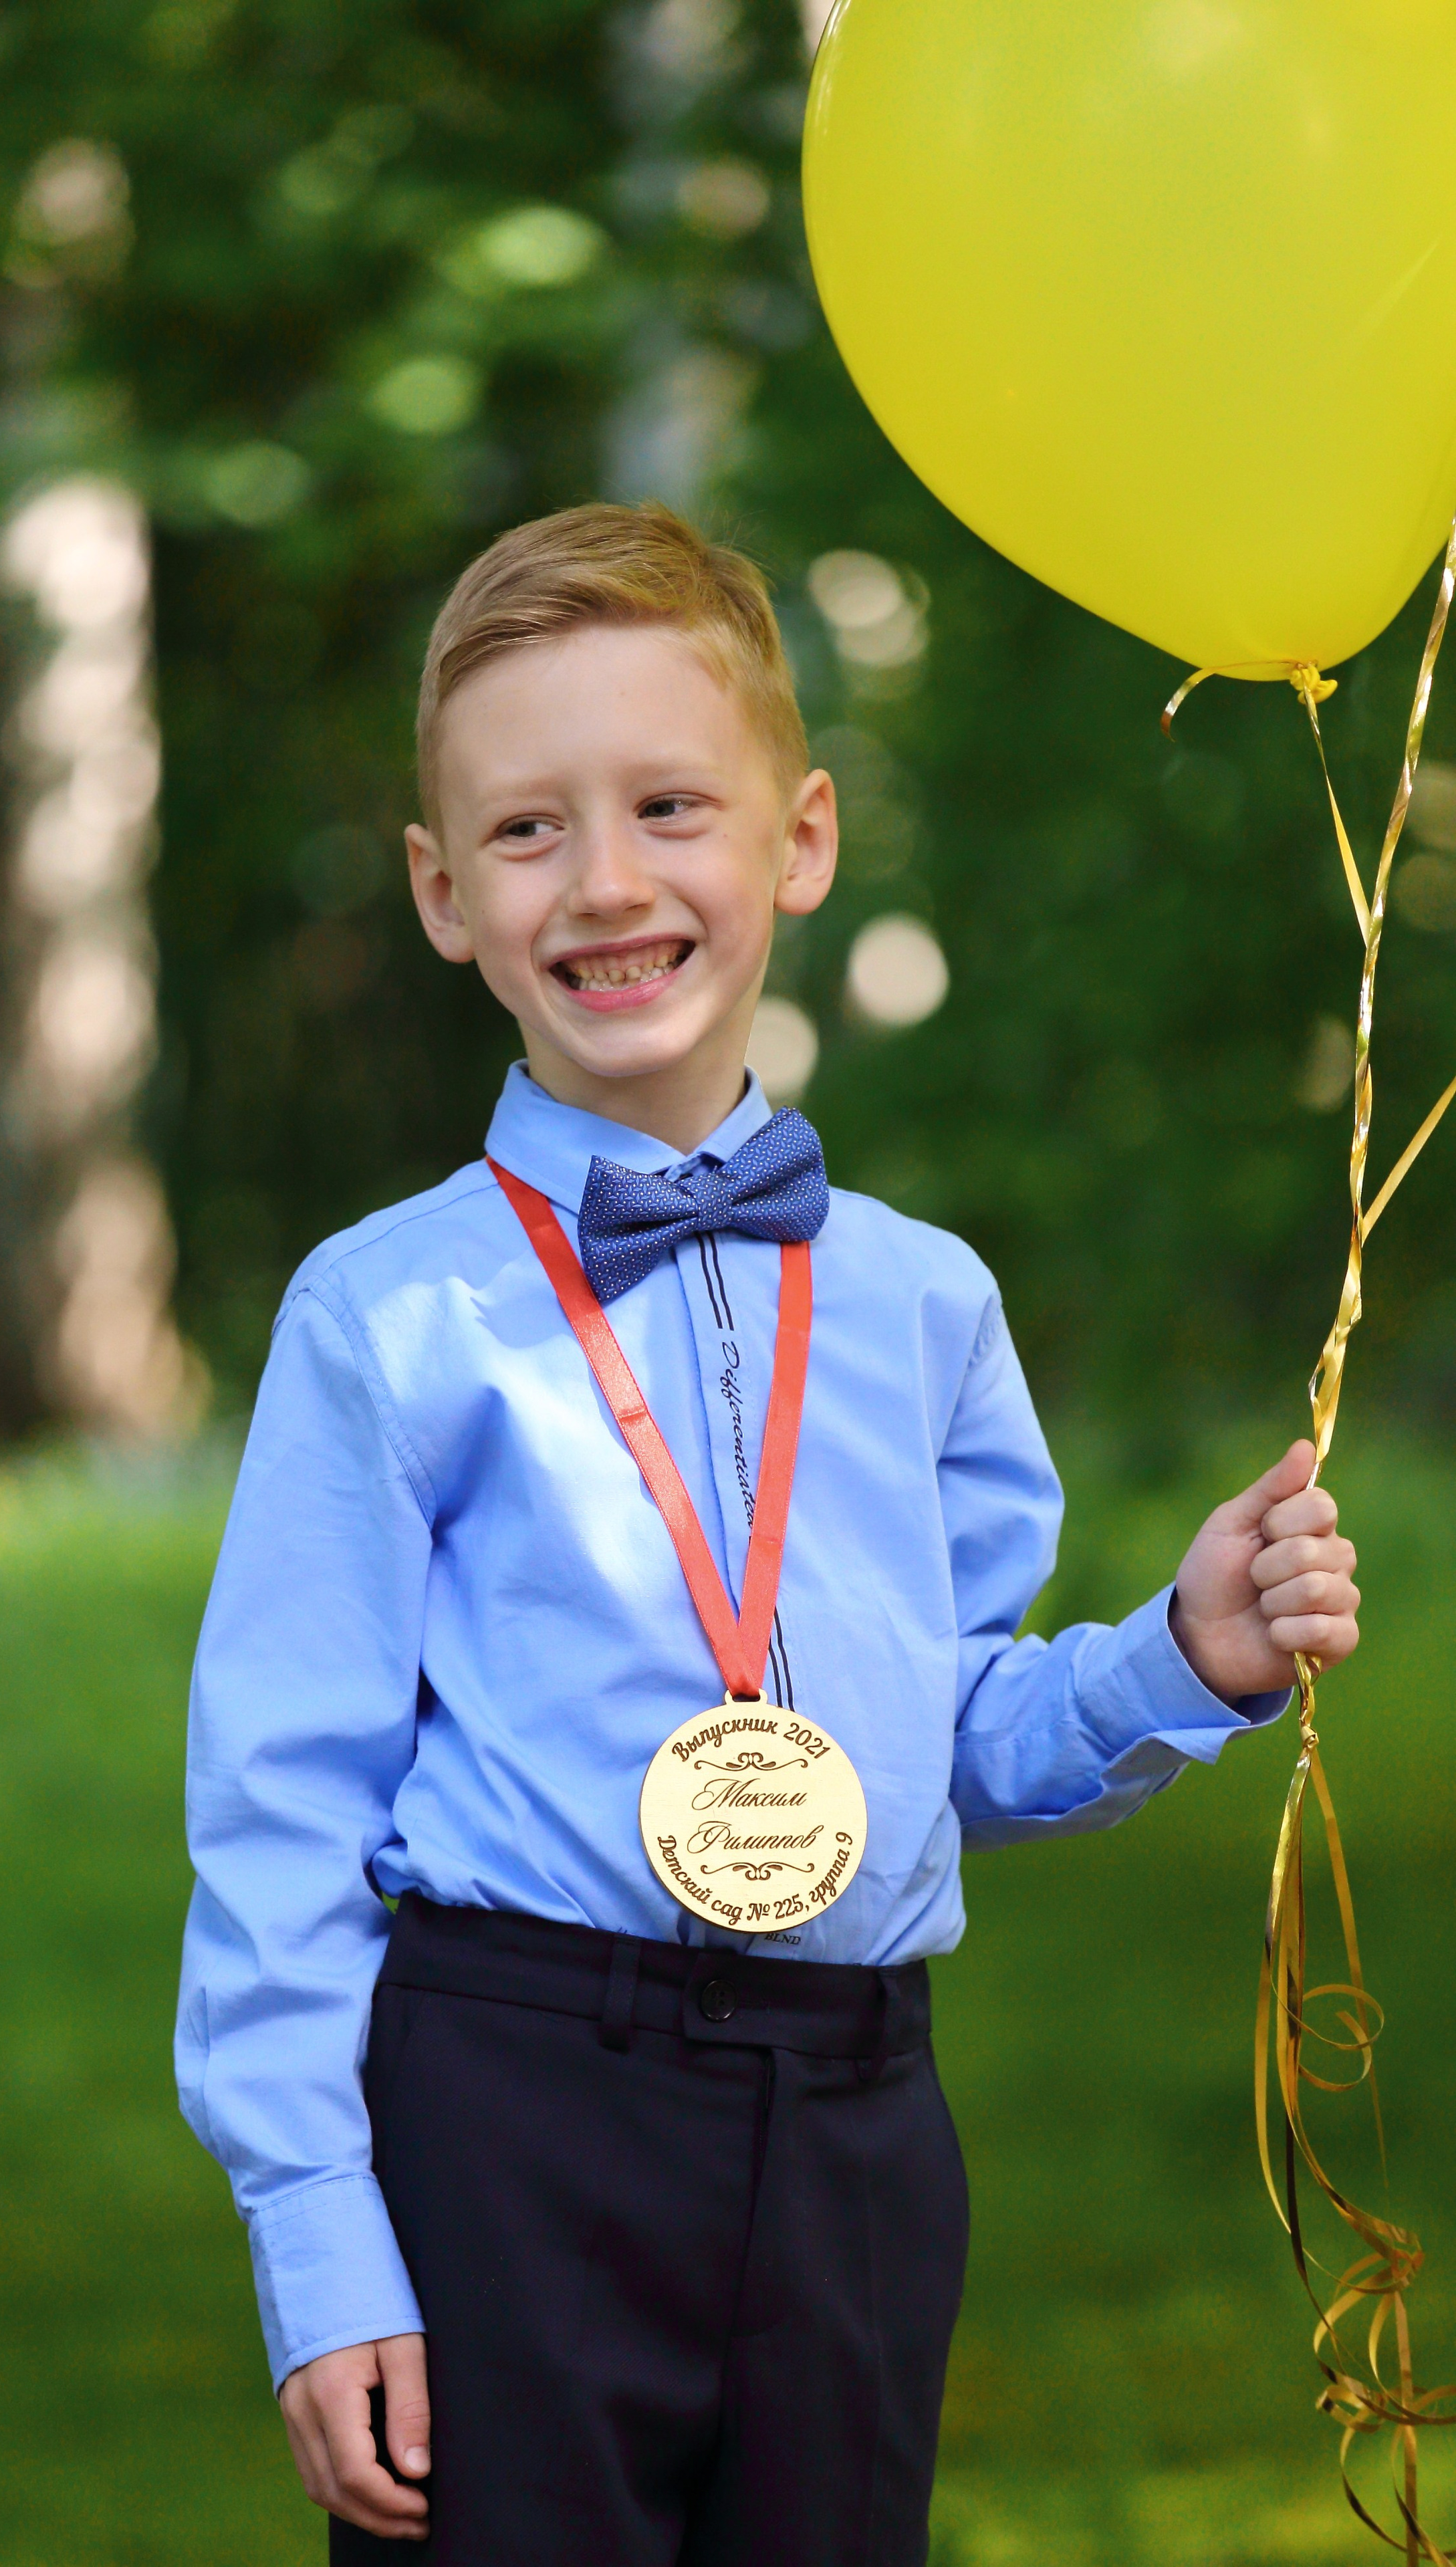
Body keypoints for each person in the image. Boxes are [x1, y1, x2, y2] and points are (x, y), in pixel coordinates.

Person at [176, 502, 1360, 2565]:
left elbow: (949, 1732)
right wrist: (323, 2237)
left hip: (857, 2140)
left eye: (667, 808)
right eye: (530, 834)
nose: (610, 883)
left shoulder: (921, 1304)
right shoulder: (387, 1314)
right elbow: (283, 1809)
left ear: (797, 842)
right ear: (442, 897)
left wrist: (1183, 1659)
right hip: (508, 2114)